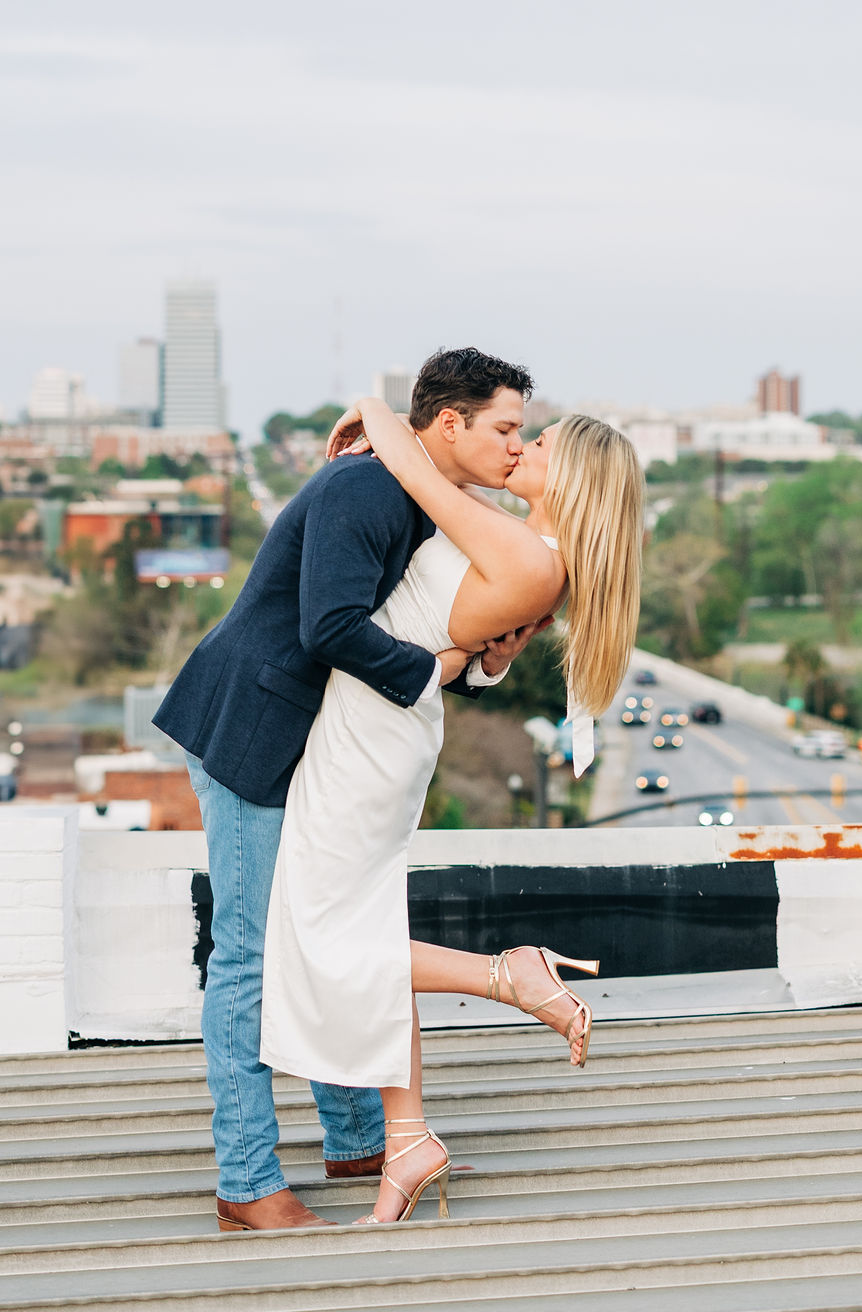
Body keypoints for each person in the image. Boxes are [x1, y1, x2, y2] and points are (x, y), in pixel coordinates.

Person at [152, 348, 543, 1232]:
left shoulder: (423, 501)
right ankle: (246, 1184)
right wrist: (437, 668)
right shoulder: (364, 492)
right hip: (250, 728)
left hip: (308, 741)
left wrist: (481, 659)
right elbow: (328, 625)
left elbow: (432, 613)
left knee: (324, 926)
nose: (517, 448)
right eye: (507, 428)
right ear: (452, 424)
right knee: (250, 956)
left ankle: (359, 1137)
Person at [260, 396, 643, 1224]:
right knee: (355, 925)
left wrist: (370, 406)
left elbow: (412, 466)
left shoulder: (526, 550)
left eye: (533, 442)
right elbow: (461, 645)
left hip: (368, 735)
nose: (518, 450)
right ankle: (407, 1137)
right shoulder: (535, 551)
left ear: (568, 476)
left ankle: (508, 976)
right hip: (382, 729)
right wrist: (476, 659)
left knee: (327, 938)